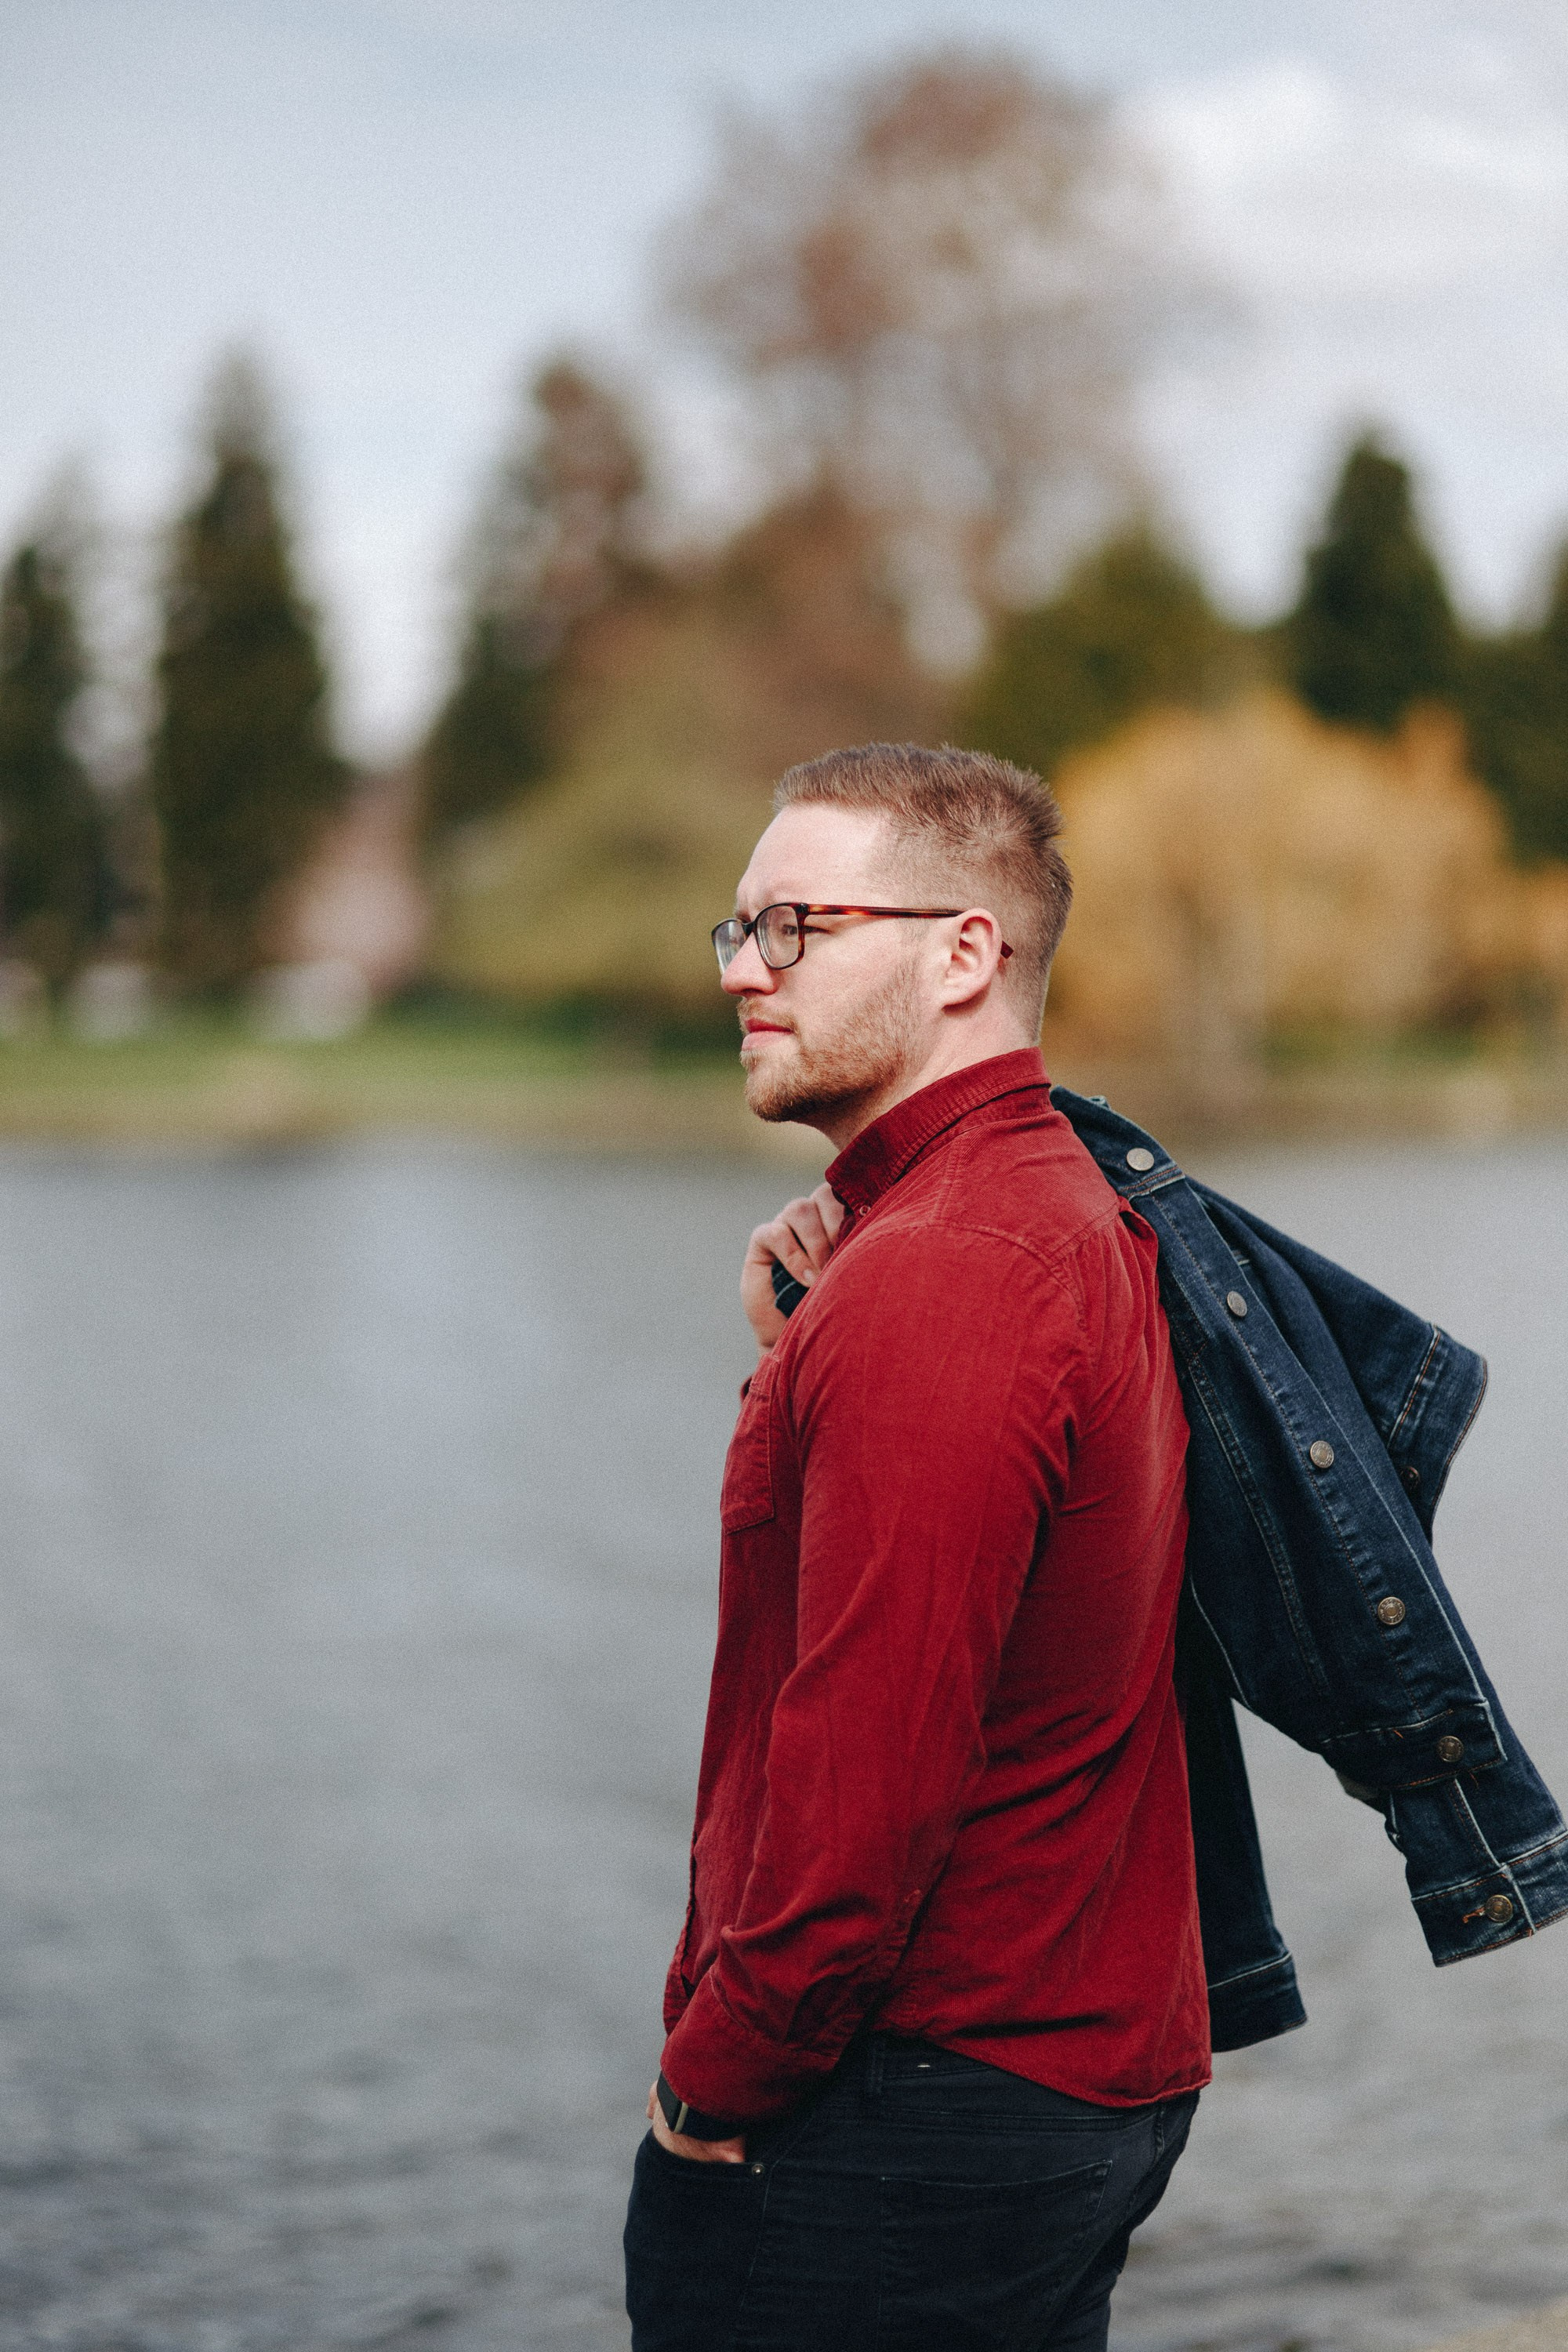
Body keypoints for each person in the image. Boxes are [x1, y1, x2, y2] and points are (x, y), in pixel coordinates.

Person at [623, 743, 1209, 2351]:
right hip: (1042, 2070)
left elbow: (859, 1787)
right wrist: (800, 1355)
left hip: (908, 2102)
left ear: (965, 954)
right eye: (737, 929)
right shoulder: (1037, 1210)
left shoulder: (945, 1273)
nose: (746, 969)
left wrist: (706, 2091)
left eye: (798, 926)